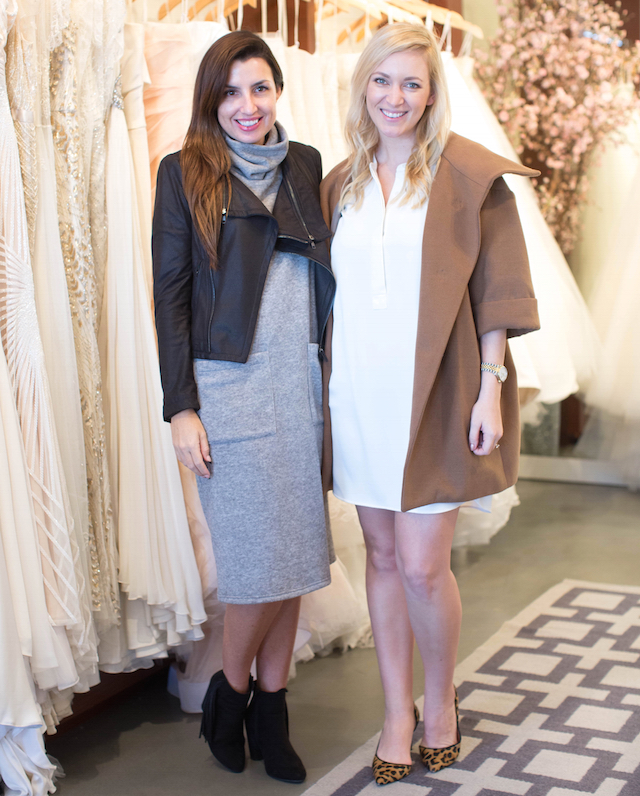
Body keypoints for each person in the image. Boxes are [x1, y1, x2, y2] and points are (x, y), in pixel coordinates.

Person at [320, 24, 540, 786]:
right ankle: (395, 713)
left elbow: (498, 290)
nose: (396, 97)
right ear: (364, 88)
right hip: (358, 393)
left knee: (421, 565)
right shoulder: (339, 184)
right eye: (383, 81)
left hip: (437, 393)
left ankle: (439, 699)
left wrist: (491, 387)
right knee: (381, 557)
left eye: (412, 83)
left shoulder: (469, 176)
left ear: (432, 93)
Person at [152, 31, 335, 785]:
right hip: (227, 387)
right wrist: (181, 407)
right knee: (258, 564)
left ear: (278, 91)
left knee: (296, 558)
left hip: (301, 382)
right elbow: (171, 294)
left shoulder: (306, 165)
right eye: (230, 92)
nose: (247, 106)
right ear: (211, 100)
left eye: (259, 88)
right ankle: (231, 696)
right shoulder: (183, 172)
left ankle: (272, 708)